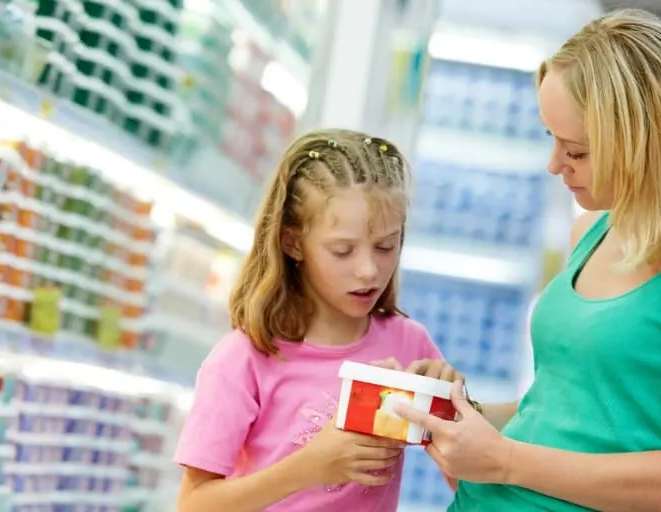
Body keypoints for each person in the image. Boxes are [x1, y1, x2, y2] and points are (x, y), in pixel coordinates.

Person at [394, 9, 661, 512]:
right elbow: (564, 415)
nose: (554, 165)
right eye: (551, 140)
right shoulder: (592, 230)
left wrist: (503, 461)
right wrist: (455, 415)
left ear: (647, 141)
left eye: (577, 151)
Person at [173, 128, 454, 512]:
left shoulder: (409, 344)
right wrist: (309, 467)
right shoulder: (245, 358)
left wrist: (455, 406)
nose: (369, 270)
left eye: (386, 246)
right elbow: (193, 505)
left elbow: (465, 473)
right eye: (342, 251)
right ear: (292, 243)